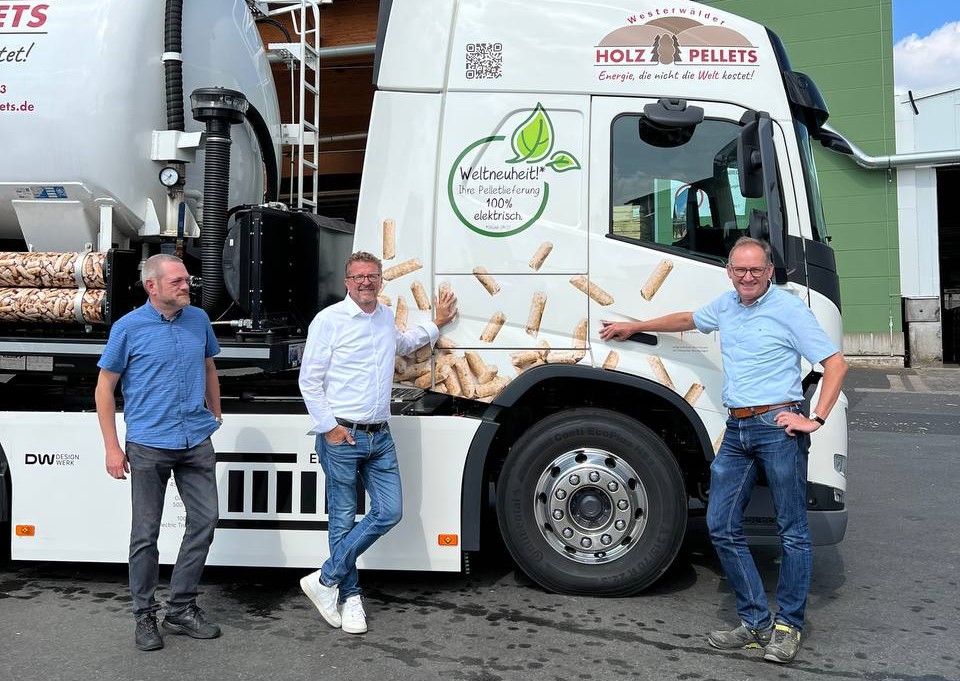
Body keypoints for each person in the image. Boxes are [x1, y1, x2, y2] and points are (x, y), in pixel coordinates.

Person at [599, 237, 847, 664]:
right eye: (739, 270)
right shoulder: (727, 305)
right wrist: (635, 326)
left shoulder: (789, 309)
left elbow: (835, 363)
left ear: (769, 271)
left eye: (755, 270)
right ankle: (755, 622)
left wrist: (816, 418)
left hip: (778, 426)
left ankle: (788, 625)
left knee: (792, 532)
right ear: (730, 271)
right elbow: (688, 319)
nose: (747, 277)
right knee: (721, 526)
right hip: (738, 429)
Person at [298, 251, 458, 635]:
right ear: (347, 282)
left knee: (390, 512)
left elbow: (402, 343)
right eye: (359, 277)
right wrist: (329, 427)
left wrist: (436, 324)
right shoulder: (329, 321)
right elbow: (309, 379)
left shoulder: (385, 316)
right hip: (343, 436)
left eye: (372, 276)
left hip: (379, 435)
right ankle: (350, 598)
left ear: (381, 280)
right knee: (341, 520)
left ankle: (325, 579)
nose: (366, 282)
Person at [95, 253, 223, 652]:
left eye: (187, 280)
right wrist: (112, 448)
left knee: (205, 520)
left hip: (195, 441)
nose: (187, 287)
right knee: (145, 535)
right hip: (149, 444)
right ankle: (144, 615)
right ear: (152, 286)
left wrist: (215, 411)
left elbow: (209, 367)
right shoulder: (128, 328)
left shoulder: (199, 320)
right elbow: (104, 388)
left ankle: (181, 609)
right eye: (177, 282)